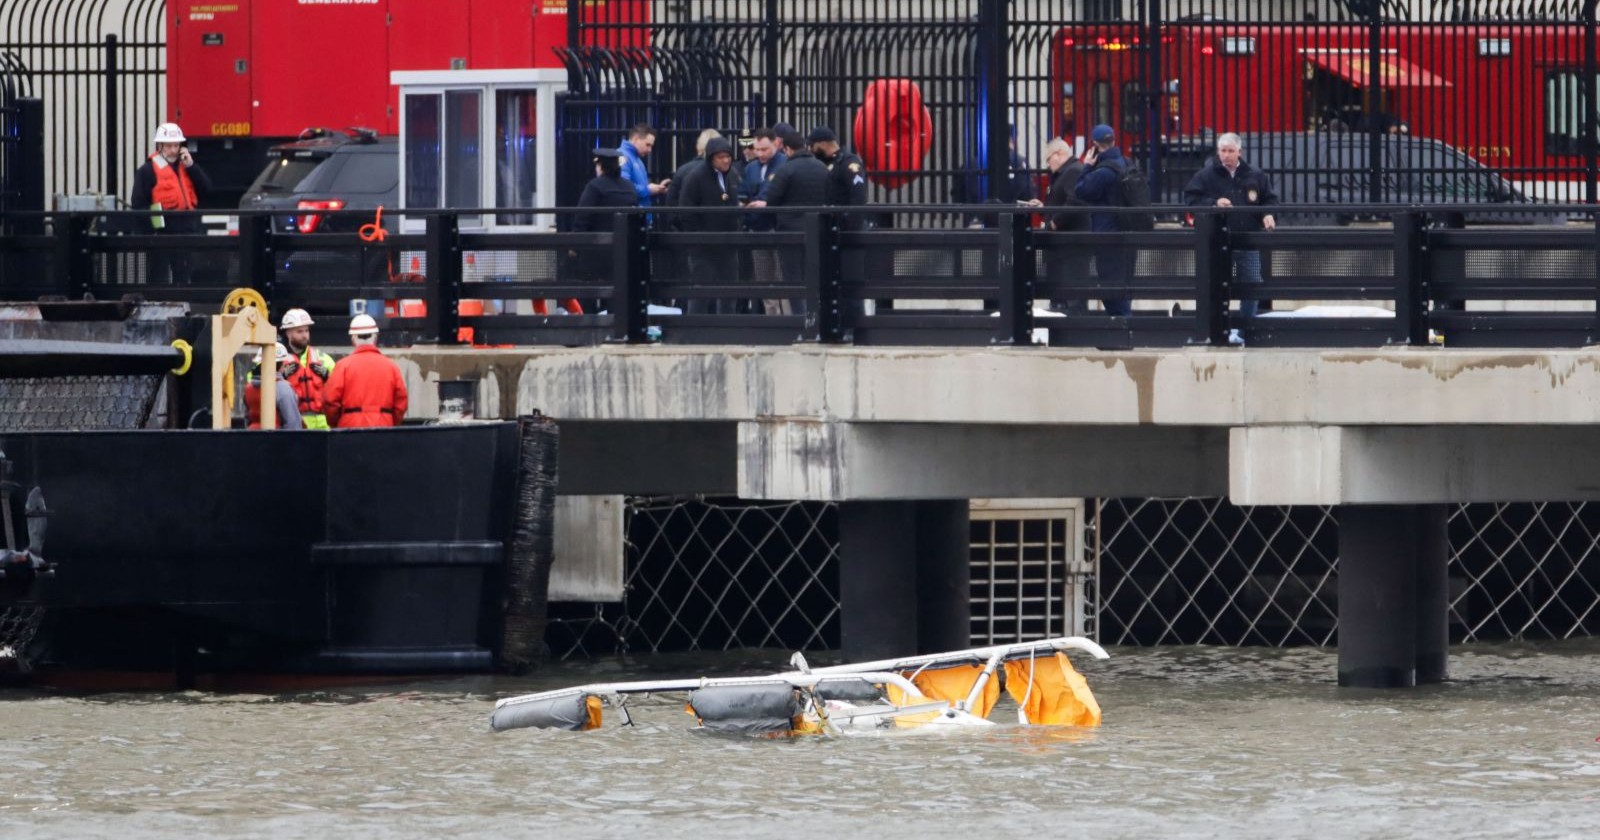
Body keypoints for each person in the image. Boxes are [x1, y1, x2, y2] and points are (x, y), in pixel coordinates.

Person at [1183, 131, 1278, 346]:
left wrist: (1268, 214)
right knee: (1214, 285)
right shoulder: (1206, 175)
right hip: (1218, 241)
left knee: (1252, 285)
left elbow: (1270, 200)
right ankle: (1215, 332)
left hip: (1247, 240)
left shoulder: (1255, 175)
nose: (1226, 155)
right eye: (1222, 151)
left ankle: (1245, 331)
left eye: (1230, 151)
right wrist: (1214, 203)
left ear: (1239, 152)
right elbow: (1190, 199)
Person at [747, 129, 827, 315]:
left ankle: (801, 320)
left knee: (793, 279)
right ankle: (817, 319)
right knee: (815, 278)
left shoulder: (786, 169)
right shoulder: (821, 167)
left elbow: (773, 196)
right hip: (818, 230)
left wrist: (762, 203)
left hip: (790, 231)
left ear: (788, 149)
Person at [129, 122, 212, 283]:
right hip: (162, 232)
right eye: (169, 146)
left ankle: (184, 305)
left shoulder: (187, 167)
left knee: (184, 274)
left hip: (186, 230)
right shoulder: (147, 171)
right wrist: (151, 229)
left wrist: (192, 166)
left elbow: (207, 190)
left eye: (176, 145)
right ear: (160, 146)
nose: (173, 150)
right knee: (159, 276)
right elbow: (138, 204)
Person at [809, 126, 871, 317]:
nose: (811, 150)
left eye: (812, 146)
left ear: (822, 144)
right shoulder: (832, 164)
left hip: (847, 234)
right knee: (833, 283)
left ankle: (853, 324)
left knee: (850, 282)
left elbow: (858, 199)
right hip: (832, 234)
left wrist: (850, 230)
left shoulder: (849, 163)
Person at [678, 136, 742, 314]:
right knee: (702, 290)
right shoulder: (696, 177)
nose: (726, 160)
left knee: (729, 290)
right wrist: (699, 236)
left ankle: (725, 328)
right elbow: (686, 210)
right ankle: (696, 330)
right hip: (703, 245)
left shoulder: (731, 175)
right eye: (721, 157)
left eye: (728, 156)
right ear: (711, 158)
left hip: (728, 244)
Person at [1073, 123, 1133, 316]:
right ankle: (1125, 330)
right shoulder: (1129, 164)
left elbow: (1080, 191)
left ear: (1095, 145)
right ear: (1114, 141)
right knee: (1123, 287)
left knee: (1110, 289)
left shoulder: (1102, 172)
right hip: (1129, 232)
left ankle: (1125, 331)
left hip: (1107, 236)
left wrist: (1087, 167)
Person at [322, 314, 408, 429]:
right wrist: (390, 421)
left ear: (353, 339)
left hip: (350, 428)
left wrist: (338, 422)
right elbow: (401, 402)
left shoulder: (343, 366)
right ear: (376, 338)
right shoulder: (391, 366)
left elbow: (330, 400)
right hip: (384, 427)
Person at [952, 125, 1037, 228]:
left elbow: (957, 194)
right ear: (1012, 139)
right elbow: (1027, 193)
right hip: (1011, 223)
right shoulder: (1020, 162)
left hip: (977, 222)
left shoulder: (971, 163)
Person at [1042, 137, 1090, 314]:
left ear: (1059, 154)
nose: (1048, 164)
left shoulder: (1073, 171)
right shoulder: (1065, 173)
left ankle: (1074, 320)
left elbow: (1076, 201)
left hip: (1072, 242)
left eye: (1048, 159)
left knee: (1073, 289)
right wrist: (1043, 208)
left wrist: (1055, 221)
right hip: (1064, 244)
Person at [277, 308, 336, 429]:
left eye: (306, 331)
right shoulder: (277, 359)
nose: (305, 335)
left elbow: (338, 387)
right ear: (288, 333)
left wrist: (327, 376)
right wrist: (280, 377)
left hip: (323, 426)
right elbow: (256, 381)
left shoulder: (323, 359)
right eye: (299, 331)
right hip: (296, 424)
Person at [244, 342, 305, 430]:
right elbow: (293, 424)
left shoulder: (249, 388)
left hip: (253, 439)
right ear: (283, 364)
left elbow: (247, 420)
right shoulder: (283, 388)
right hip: (276, 440)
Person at [618, 123, 670, 208]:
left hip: (638, 214)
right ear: (635, 139)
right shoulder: (623, 157)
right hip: (632, 216)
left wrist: (656, 189)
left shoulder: (635, 158)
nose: (650, 150)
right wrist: (648, 190)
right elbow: (623, 187)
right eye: (648, 144)